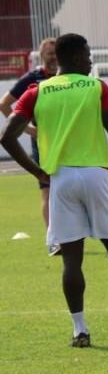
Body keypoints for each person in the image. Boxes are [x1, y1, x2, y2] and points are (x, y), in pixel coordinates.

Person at [0, 33, 108, 347]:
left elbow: (7, 137)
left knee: (71, 261)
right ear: (76, 58)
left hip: (60, 181)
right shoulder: (96, 87)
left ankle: (80, 331)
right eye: (88, 56)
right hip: (95, 176)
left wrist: (38, 172)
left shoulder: (36, 91)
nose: (90, 61)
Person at [0, 37, 58, 248]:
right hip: (43, 144)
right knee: (47, 190)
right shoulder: (32, 79)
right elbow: (4, 104)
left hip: (66, 141)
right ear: (41, 56)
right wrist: (29, 129)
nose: (54, 57)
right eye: (50, 53)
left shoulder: (67, 77)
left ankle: (71, 235)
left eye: (56, 53)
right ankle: (54, 241)